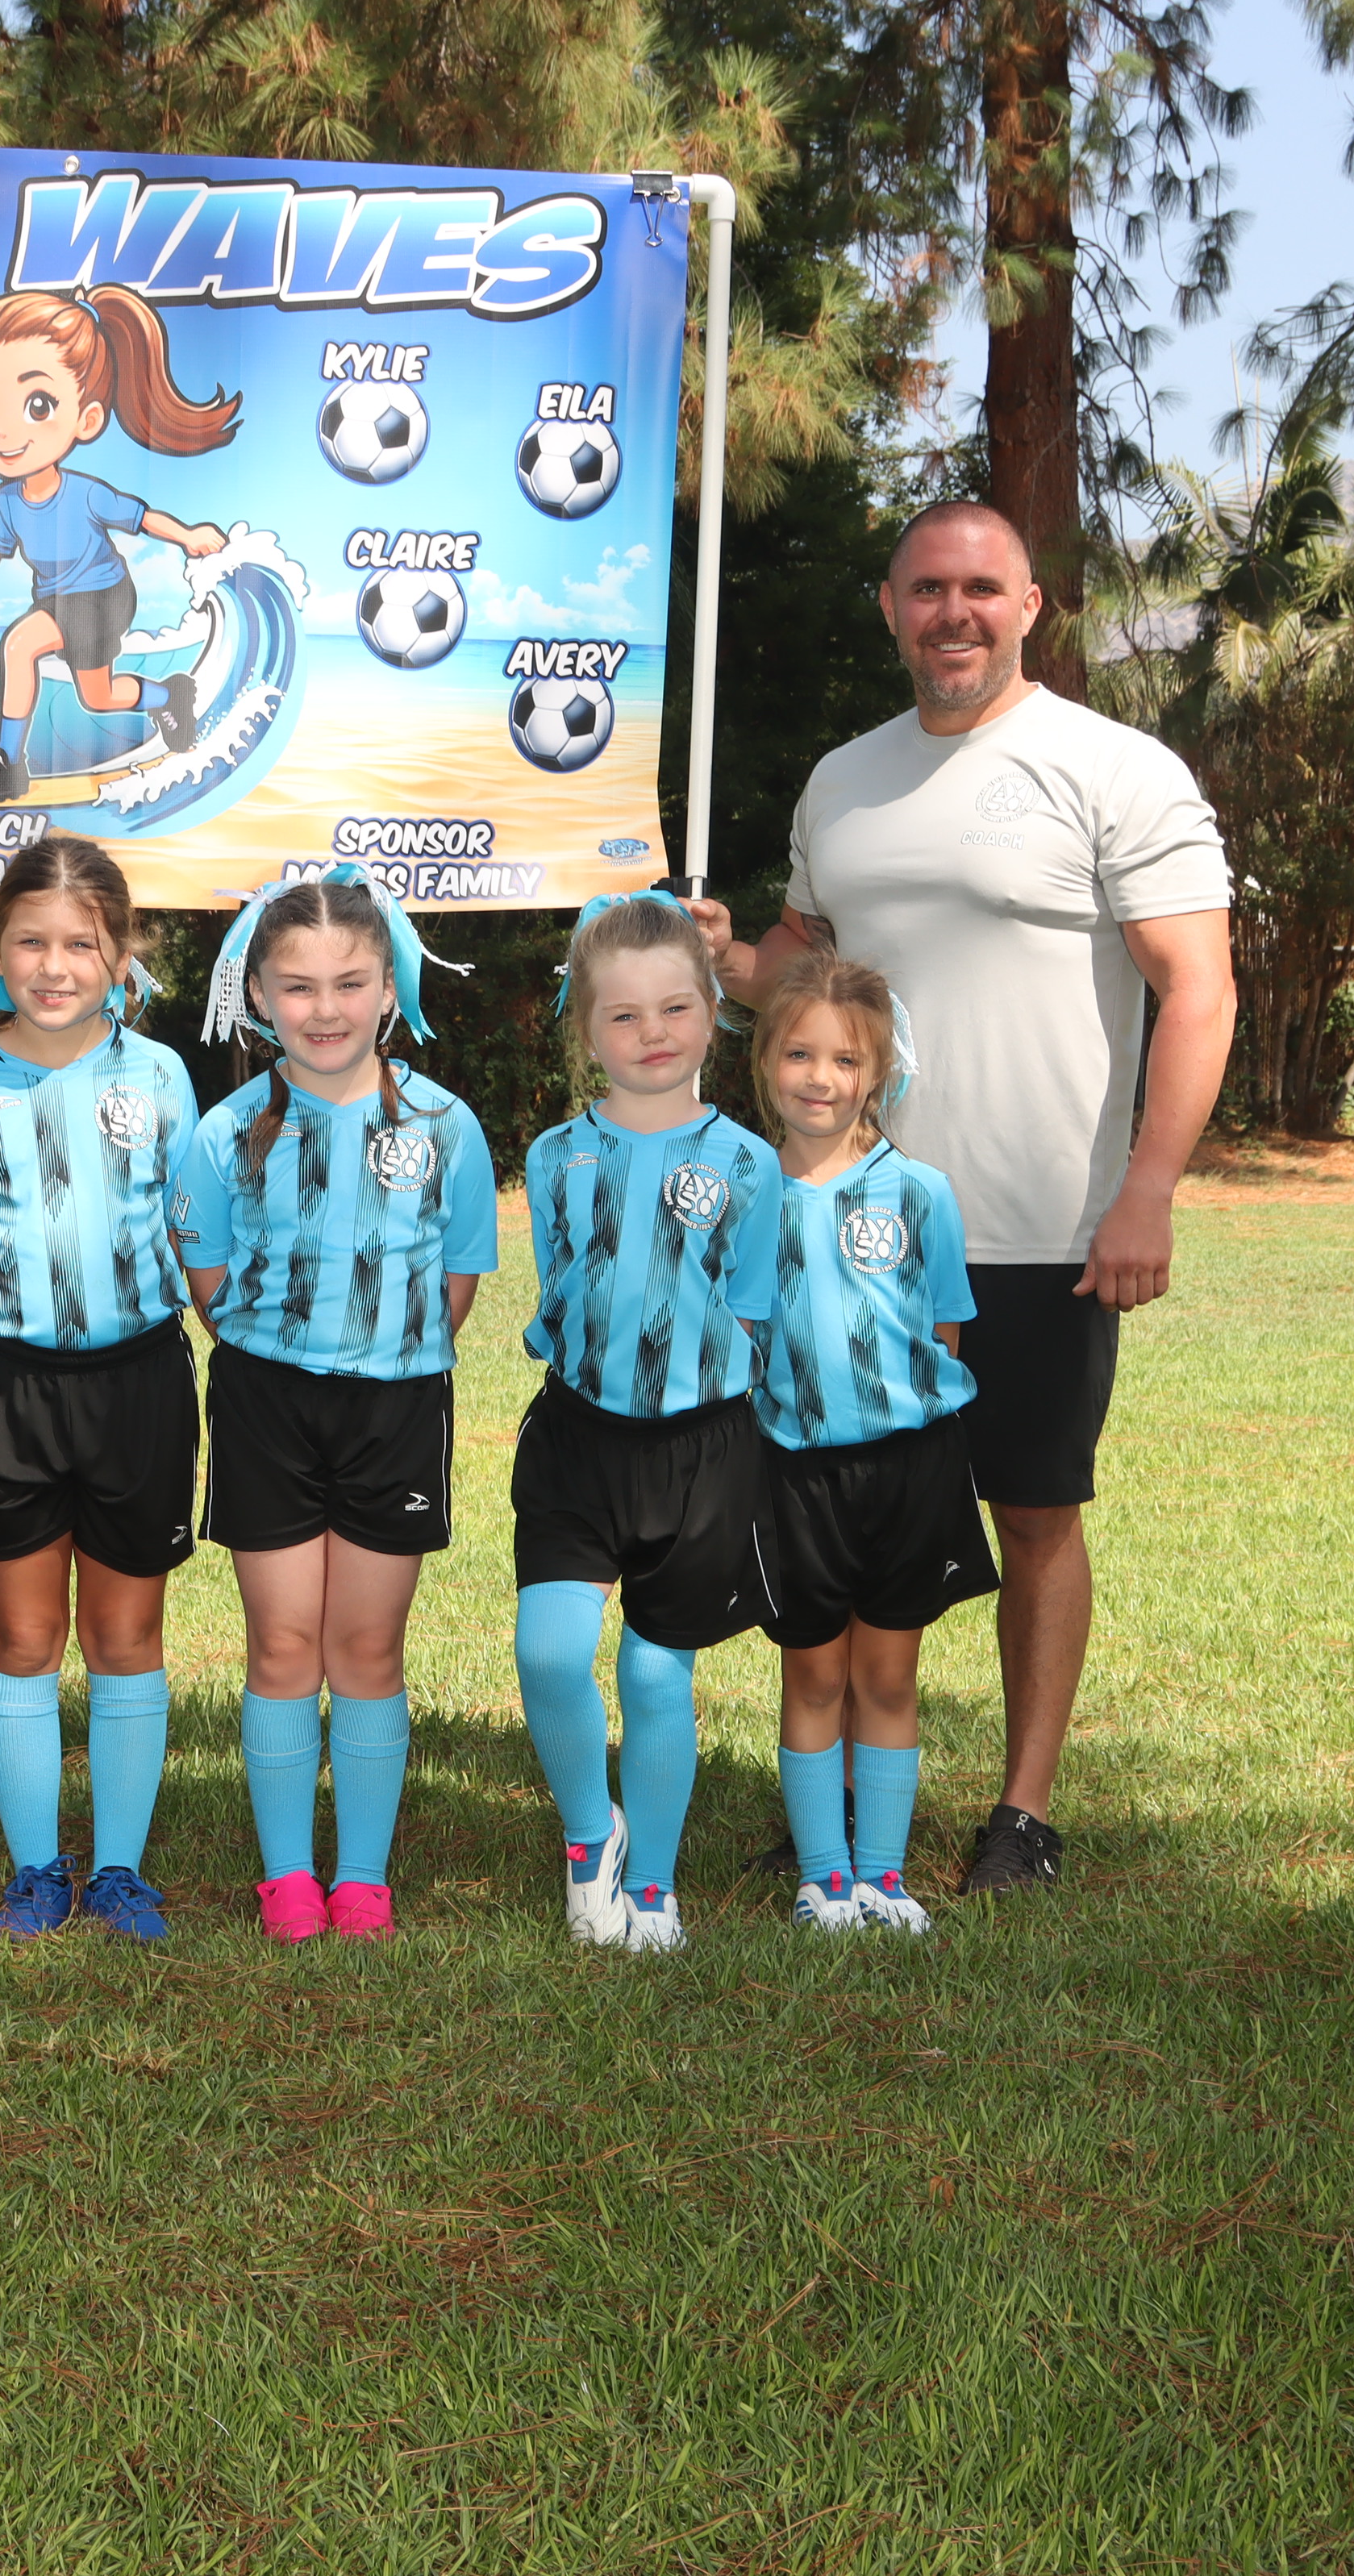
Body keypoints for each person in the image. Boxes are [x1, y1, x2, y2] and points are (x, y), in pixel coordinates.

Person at [694, 498, 1235, 1896]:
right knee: (853, 1507)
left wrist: (1149, 1192)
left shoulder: (1114, 770)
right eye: (927, 588)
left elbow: (1200, 989)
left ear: (1031, 606)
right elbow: (810, 960)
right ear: (890, 607)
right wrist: (728, 959)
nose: (955, 613)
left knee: (1034, 1513)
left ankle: (1023, 1815)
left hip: (1041, 1230)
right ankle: (846, 1800)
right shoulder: (844, 780)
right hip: (848, 1230)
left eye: (982, 589)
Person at [169, 868, 496, 1945]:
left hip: (396, 1408)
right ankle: (287, 1879)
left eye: (350, 983)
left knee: (365, 1645)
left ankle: (360, 1879)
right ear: (259, 994)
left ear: (390, 988)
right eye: (298, 985)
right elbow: (208, 1277)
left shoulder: (445, 1125)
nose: (325, 1008)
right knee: (282, 1642)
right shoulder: (225, 1131)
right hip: (266, 1404)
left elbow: (456, 1278)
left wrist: (377, 1350)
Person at [0, 837, 201, 1944]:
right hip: (4, 1388)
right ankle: (36, 1869)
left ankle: (122, 1870)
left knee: (126, 1636)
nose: (54, 965)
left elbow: (189, 1227)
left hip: (137, 1383)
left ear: (120, 955)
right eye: (31, 941)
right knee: (24, 1636)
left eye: (81, 944)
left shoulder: (161, 1076)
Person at [510, 893, 785, 1956]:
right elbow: (562, 1289)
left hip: (701, 1453)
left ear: (713, 1012)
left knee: (657, 1672)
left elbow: (754, 1310)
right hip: (578, 1442)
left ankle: (657, 1886)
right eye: (622, 1015)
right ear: (586, 1031)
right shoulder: (553, 1157)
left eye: (675, 1008)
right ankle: (593, 1835)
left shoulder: (749, 1164)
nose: (652, 1032)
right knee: (549, 1654)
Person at [740, 957, 997, 1937]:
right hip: (792, 1472)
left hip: (907, 1470)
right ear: (766, 1060)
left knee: (887, 1676)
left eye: (846, 1059)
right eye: (799, 1053)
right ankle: (822, 1877)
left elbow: (945, 1333)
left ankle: (882, 1876)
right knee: (813, 1676)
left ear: (880, 1072)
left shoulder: (920, 1192)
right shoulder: (746, 1191)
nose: (821, 1077)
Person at [0, 286, 237, 805]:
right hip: (56, 601)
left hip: (103, 597)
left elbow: (142, 520)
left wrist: (187, 536)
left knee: (70, 678)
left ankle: (152, 701)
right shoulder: (6, 502)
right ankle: (17, 759)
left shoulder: (85, 493)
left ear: (86, 420)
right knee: (73, 679)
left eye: (36, 405)